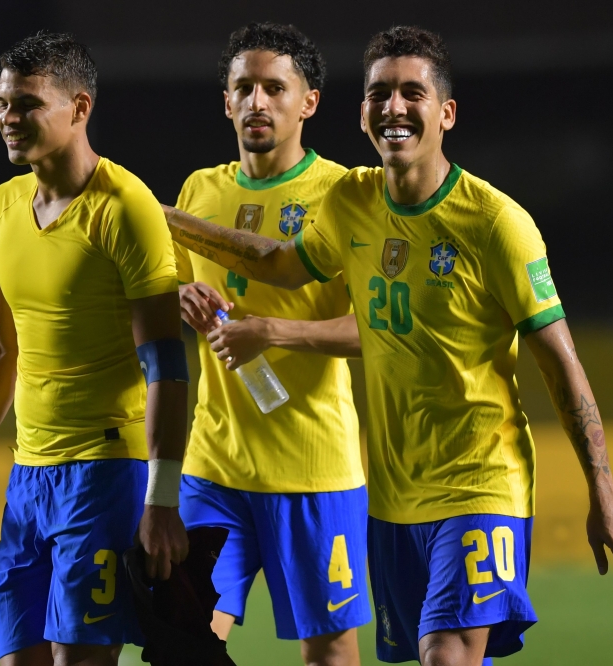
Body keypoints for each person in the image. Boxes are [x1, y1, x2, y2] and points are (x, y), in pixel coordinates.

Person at [162, 25, 613, 666]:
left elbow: (562, 365)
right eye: (379, 93)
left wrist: (602, 492)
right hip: (389, 492)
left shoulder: (497, 224)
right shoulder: (353, 203)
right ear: (360, 112)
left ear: (445, 114)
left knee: (442, 653)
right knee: (433, 654)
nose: (392, 107)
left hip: (475, 481)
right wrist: (159, 217)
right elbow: (279, 263)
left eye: (411, 93)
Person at [0, 31, 190, 666]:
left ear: (79, 107)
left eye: (28, 104)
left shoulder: (127, 210)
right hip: (28, 479)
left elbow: (167, 366)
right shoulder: (4, 206)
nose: (9, 118)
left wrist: (163, 498)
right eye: (4, 103)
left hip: (104, 474)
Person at [173, 23, 370, 666]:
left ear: (308, 102)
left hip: (312, 467)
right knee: (181, 638)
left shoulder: (346, 195)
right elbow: (167, 297)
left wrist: (272, 331)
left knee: (331, 651)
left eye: (275, 88)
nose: (258, 101)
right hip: (213, 464)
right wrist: (181, 303)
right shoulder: (200, 191)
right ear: (226, 101)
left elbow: (378, 331)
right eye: (244, 88)